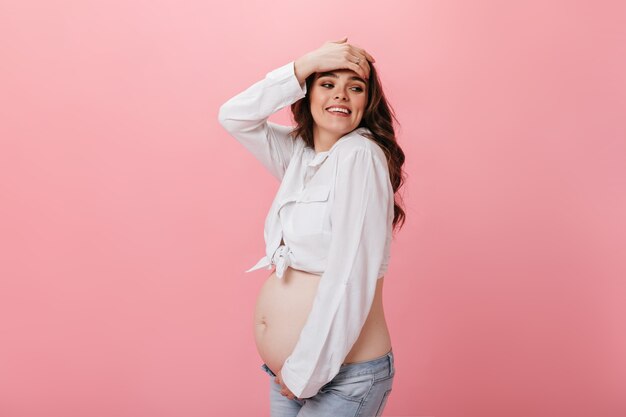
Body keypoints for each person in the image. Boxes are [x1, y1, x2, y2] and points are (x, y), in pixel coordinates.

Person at [218, 37, 406, 417]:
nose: (342, 96)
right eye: (327, 83)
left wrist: (306, 372)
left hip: (337, 375)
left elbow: (349, 275)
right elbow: (233, 116)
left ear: (366, 104)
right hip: (292, 372)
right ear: (307, 93)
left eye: (355, 88)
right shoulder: (300, 154)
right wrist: (303, 65)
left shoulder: (359, 156)